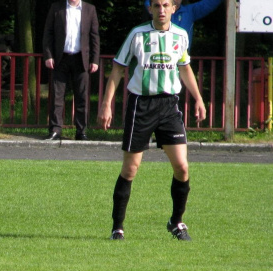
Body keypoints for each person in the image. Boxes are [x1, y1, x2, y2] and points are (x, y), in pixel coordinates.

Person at [99, 0, 206, 241]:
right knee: (130, 168)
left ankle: (177, 222)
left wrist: (198, 99)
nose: (161, 10)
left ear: (174, 9)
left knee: (182, 167)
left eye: (165, 5)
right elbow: (117, 69)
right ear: (150, 9)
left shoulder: (180, 35)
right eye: (156, 5)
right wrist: (106, 104)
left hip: (169, 106)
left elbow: (184, 67)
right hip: (142, 105)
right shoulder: (137, 34)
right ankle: (117, 227)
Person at [42, 0, 100, 141]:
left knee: (82, 97)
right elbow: (48, 33)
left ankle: (81, 132)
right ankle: (55, 130)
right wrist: (48, 55)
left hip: (81, 59)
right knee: (57, 95)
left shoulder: (90, 9)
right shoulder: (57, 7)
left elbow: (94, 36)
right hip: (60, 58)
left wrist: (95, 59)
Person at [143, 0, 223, 49]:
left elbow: (210, 3)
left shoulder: (190, 11)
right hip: (157, 58)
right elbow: (150, 3)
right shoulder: (157, 9)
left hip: (181, 60)